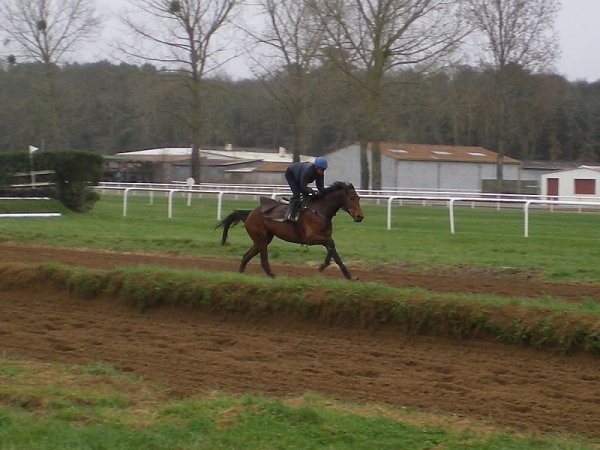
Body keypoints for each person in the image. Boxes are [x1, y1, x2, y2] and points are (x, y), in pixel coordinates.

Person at [284, 156, 328, 221]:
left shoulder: (320, 173)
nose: (322, 172)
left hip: (300, 176)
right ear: (316, 167)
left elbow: (320, 187)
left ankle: (301, 213)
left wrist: (326, 194)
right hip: (291, 174)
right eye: (321, 169)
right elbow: (302, 186)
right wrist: (312, 191)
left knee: (307, 196)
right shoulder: (308, 170)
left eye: (324, 170)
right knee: (297, 195)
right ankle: (290, 216)